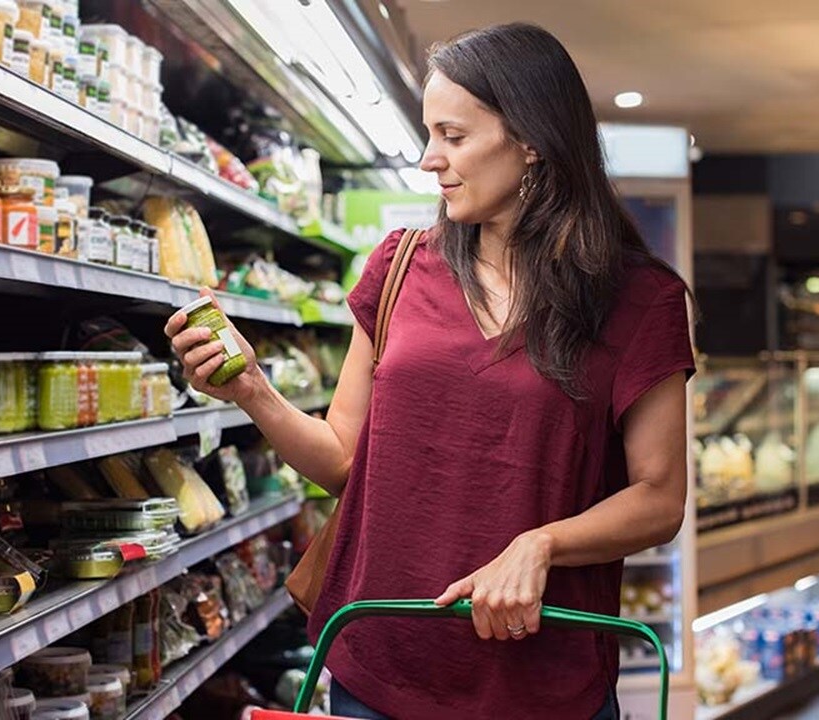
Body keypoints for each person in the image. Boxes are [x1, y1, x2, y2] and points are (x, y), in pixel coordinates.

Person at [165, 22, 695, 720]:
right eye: (428, 134)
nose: (427, 160)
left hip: (545, 684)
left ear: (532, 141)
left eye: (453, 136)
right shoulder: (398, 267)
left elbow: (659, 498)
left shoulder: (638, 299)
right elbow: (346, 463)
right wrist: (252, 392)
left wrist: (542, 544)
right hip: (381, 664)